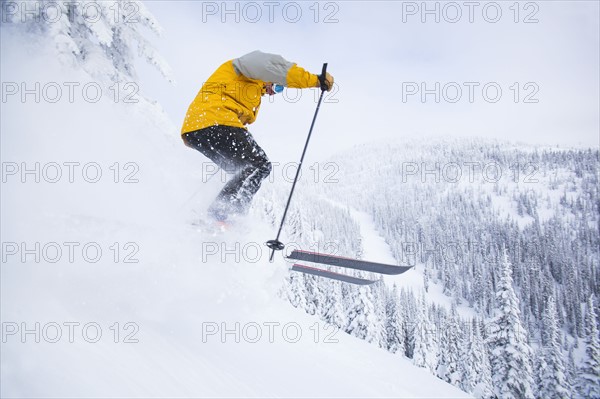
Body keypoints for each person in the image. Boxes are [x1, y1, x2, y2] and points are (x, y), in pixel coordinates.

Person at [181, 50, 334, 222]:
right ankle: (223, 217)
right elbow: (280, 70)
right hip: (214, 119)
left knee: (240, 170)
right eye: (277, 86)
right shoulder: (247, 65)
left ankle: (210, 218)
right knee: (259, 165)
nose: (273, 92)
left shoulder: (251, 90)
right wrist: (315, 81)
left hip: (197, 130)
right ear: (270, 76)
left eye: (279, 90)